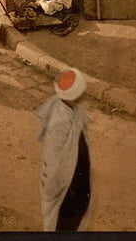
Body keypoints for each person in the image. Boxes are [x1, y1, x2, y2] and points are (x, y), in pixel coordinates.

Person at [35, 68, 92, 231]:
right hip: (64, 187)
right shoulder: (59, 124)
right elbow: (54, 163)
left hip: (75, 177)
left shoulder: (74, 108)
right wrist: (68, 190)